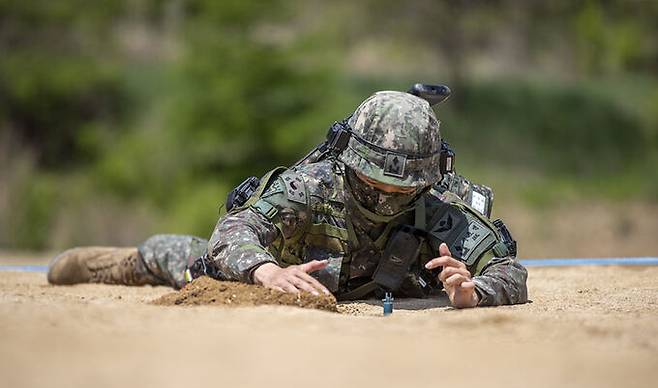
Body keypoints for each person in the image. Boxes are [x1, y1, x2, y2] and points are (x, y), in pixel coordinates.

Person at [48, 91, 527, 308]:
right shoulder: (312, 186)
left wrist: (474, 291)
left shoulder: (442, 207)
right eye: (375, 182)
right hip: (276, 273)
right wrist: (267, 271)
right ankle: (132, 260)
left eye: (402, 188)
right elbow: (233, 231)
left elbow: (510, 270)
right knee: (196, 267)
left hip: (378, 290)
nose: (387, 195)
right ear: (352, 163)